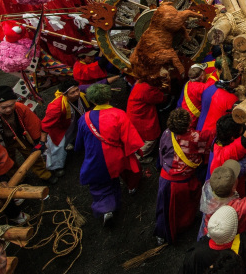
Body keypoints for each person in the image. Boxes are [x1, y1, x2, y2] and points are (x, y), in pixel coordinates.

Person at [75, 83, 144, 225]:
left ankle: (107, 209)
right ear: (109, 97)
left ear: (92, 100)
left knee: (100, 184)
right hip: (117, 155)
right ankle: (132, 187)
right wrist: (137, 151)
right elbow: (129, 138)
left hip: (96, 158)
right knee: (129, 168)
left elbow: (80, 142)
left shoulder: (84, 118)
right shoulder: (119, 114)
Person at [155, 108, 215, 245]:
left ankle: (162, 234)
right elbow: (206, 144)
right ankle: (185, 225)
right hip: (183, 181)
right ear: (188, 123)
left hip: (166, 178)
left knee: (166, 209)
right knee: (186, 206)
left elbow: (162, 151)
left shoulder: (166, 133)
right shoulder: (195, 137)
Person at [0, 86, 55, 183]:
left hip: (20, 136)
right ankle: (18, 179)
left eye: (11, 105)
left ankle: (44, 174)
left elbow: (32, 124)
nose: (8, 109)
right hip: (0, 141)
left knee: (33, 154)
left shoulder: (20, 107)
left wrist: (38, 141)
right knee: (7, 162)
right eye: (4, 107)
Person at [41, 79, 90, 174]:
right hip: (59, 129)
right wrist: (42, 140)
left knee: (73, 137)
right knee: (58, 147)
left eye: (77, 90)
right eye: (72, 92)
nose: (76, 94)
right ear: (65, 94)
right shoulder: (56, 106)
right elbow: (46, 123)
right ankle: (55, 167)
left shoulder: (82, 96)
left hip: (73, 123)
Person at [126, 79, 166, 163]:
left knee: (138, 136)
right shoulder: (147, 88)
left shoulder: (139, 82)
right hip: (142, 118)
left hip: (135, 114)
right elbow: (160, 98)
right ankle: (138, 157)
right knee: (151, 139)